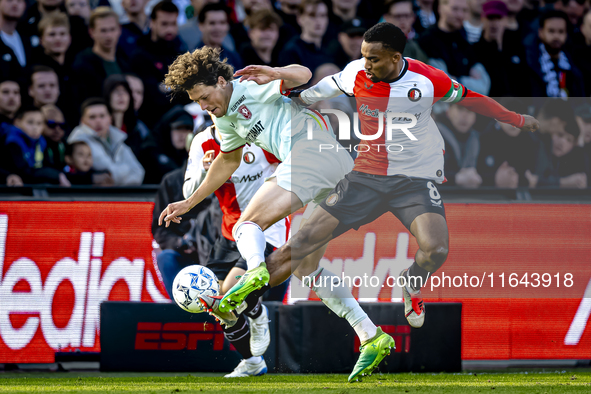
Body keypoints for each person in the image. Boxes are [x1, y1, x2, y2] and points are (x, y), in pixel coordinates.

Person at [215, 22, 539, 366]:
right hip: (365, 177)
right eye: (363, 56)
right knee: (300, 246)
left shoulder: (428, 79)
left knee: (437, 250)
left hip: (413, 179)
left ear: (396, 58)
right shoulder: (356, 72)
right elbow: (323, 87)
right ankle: (244, 300)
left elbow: (472, 99)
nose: (365, 64)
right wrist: (295, 96)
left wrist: (515, 119)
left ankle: (412, 281)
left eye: (374, 59)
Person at [158, 47, 393, 382]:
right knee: (307, 267)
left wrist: (275, 71)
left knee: (247, 224)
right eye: (197, 101)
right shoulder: (223, 119)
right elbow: (227, 161)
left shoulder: (250, 84)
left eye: (205, 96)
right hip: (338, 172)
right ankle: (371, 335)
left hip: (313, 153)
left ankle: (254, 272)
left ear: (222, 81)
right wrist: (188, 202)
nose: (203, 106)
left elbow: (305, 76)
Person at [173, 124, 288, 377]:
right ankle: (252, 362)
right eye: (202, 102)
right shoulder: (203, 142)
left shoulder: (257, 128)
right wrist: (205, 172)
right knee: (215, 304)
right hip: (229, 232)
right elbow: (187, 192)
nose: (209, 107)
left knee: (230, 294)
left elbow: (287, 164)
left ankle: (255, 309)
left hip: (268, 223)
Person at [131, 0, 188, 128]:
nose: (169, 29)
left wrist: (166, 88)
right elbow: (153, 98)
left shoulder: (181, 52)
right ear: (152, 23)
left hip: (183, 122)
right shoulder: (140, 56)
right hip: (154, 125)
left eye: (173, 24)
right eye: (164, 24)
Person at [418, 0, 491, 95]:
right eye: (455, 9)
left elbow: (483, 86)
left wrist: (457, 80)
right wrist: (468, 82)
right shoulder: (428, 40)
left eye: (464, 10)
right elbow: (442, 86)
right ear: (440, 8)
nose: (460, 15)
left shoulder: (464, 38)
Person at [67, 98, 145, 185]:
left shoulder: (118, 138)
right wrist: (125, 171)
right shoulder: (78, 139)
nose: (98, 121)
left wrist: (114, 178)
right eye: (92, 117)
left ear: (110, 118)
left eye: (102, 116)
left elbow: (139, 172)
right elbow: (105, 167)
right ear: (82, 121)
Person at [72, 7, 131, 103]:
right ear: (91, 32)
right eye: (103, 31)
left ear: (119, 30)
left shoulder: (125, 59)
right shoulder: (82, 64)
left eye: (112, 29)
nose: (108, 35)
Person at [477, 98, 538, 188]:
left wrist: (525, 180)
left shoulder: (530, 141)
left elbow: (536, 175)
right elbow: (477, 174)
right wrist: (494, 178)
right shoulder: (485, 138)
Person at [2, 106, 70, 185]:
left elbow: (47, 165)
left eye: (39, 123)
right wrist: (56, 175)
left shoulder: (41, 142)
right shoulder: (12, 142)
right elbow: (24, 172)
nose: (35, 127)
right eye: (30, 122)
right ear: (17, 122)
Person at [524, 9, 586, 97]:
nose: (556, 36)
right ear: (540, 32)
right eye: (551, 31)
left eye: (561, 31)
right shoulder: (528, 62)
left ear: (566, 34)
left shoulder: (574, 65)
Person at [278, 0, 332, 74]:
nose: (318, 20)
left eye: (322, 15)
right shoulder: (292, 51)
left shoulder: (330, 49)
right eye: (312, 15)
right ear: (300, 18)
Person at [439, 104, 483, 188]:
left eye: (469, 110)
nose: (464, 115)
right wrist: (455, 178)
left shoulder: (480, 138)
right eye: (460, 109)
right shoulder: (432, 136)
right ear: (448, 111)